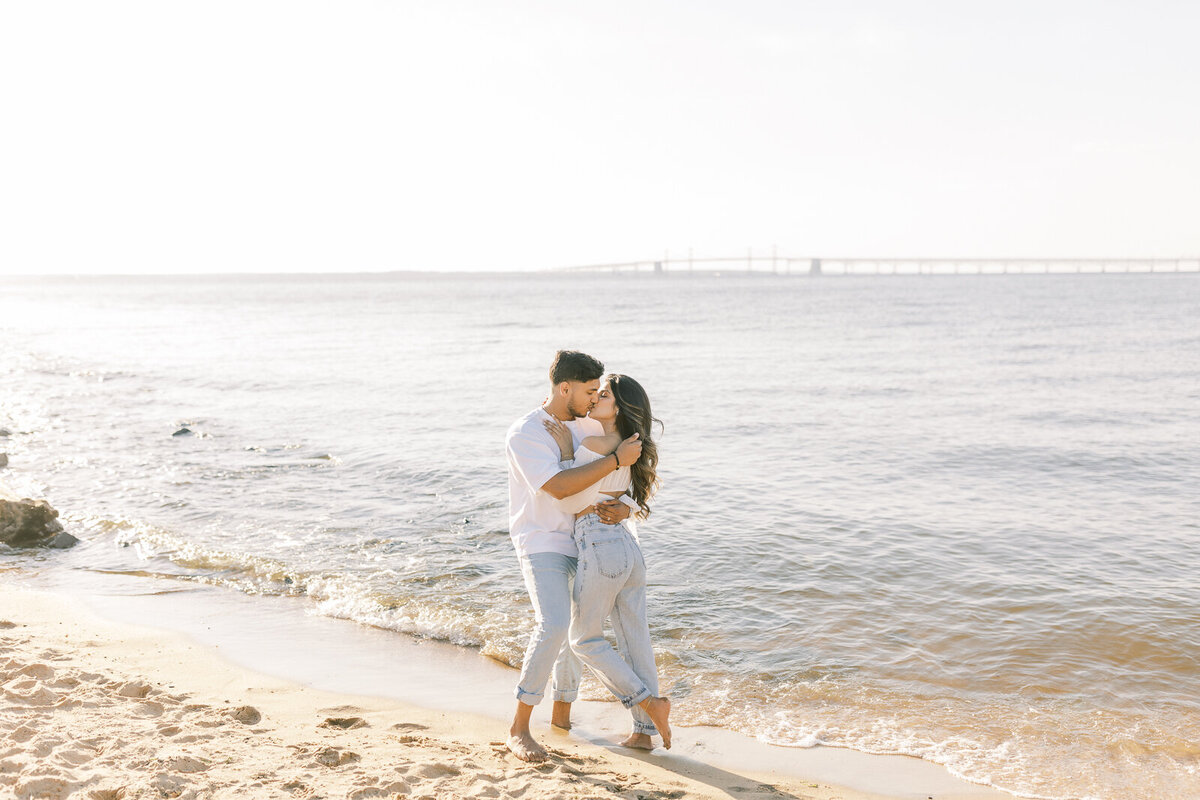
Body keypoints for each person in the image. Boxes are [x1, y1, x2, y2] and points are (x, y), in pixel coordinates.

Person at [504, 350, 644, 763]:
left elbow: (622, 479)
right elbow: (561, 487)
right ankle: (518, 727)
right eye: (587, 391)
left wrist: (630, 507)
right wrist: (614, 459)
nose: (594, 398)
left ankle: (562, 717)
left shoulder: (588, 422)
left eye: (597, 391)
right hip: (544, 539)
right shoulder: (526, 433)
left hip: (588, 541)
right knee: (553, 624)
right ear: (563, 388)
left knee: (573, 637)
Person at [543, 374, 672, 750]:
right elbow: (630, 495)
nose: (596, 398)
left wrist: (567, 451)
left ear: (617, 407)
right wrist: (626, 506)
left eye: (604, 395)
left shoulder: (597, 442)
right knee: (636, 641)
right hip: (628, 549)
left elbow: (565, 498)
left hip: (600, 544)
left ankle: (649, 703)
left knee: (583, 639)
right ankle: (644, 735)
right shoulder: (630, 443)